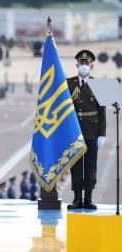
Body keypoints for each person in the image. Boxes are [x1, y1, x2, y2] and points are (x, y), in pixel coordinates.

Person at [67, 49, 106, 210]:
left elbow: (102, 112)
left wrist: (102, 134)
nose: (84, 65)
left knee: (90, 165)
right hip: (74, 131)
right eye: (81, 63)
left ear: (92, 66)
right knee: (76, 166)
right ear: (77, 65)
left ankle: (88, 199)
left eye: (87, 63)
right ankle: (77, 199)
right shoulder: (68, 84)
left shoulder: (99, 85)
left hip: (91, 131)